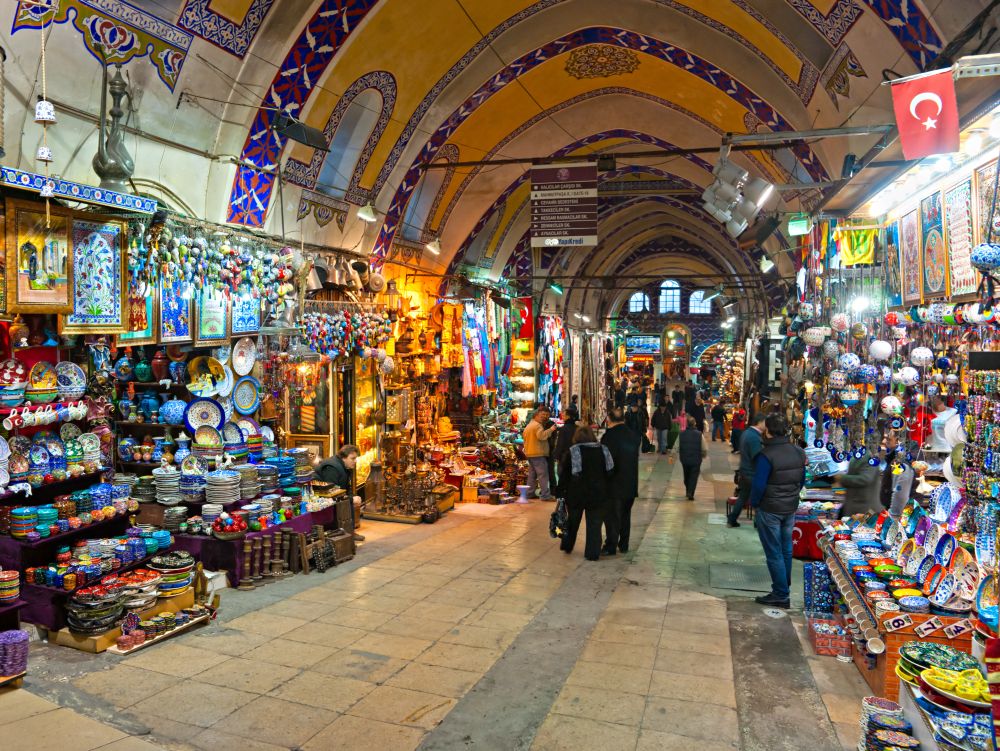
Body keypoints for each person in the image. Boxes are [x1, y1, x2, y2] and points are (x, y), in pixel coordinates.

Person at [749, 414, 807, 608]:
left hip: (770, 509)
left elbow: (758, 485)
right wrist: (791, 496)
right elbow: (801, 480)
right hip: (789, 508)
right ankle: (784, 587)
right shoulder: (798, 452)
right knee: (786, 550)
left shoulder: (766, 455)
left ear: (769, 431)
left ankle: (781, 593)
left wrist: (755, 503)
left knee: (774, 552)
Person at [557, 425, 615, 560]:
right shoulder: (603, 449)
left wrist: (560, 492)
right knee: (594, 525)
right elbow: (610, 471)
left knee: (572, 522)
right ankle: (592, 553)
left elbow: (564, 475)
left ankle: (567, 545)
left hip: (576, 493)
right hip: (598, 493)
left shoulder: (573, 451)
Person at [601, 407, 641, 553]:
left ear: (609, 419)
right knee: (625, 515)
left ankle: (611, 545)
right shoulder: (633, 435)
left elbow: (606, 461)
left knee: (612, 517)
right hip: (630, 483)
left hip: (615, 484)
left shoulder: (609, 436)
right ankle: (624, 544)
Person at [727, 412, 766, 528]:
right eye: (765, 423)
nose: (766, 426)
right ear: (760, 423)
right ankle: (758, 523)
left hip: (745, 470)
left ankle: (732, 519)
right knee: (759, 498)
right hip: (752, 473)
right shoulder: (754, 437)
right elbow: (757, 456)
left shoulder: (747, 433)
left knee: (743, 497)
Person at [523, 407, 557, 500]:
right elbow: (541, 436)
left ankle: (529, 493)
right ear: (536, 415)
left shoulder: (529, 425)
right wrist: (551, 430)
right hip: (538, 453)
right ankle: (545, 495)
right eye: (541, 416)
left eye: (546, 415)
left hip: (530, 453)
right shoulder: (538, 425)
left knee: (532, 475)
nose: (543, 417)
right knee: (543, 474)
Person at [835, 450, 882, 517]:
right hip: (856, 506)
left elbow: (866, 479)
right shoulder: (858, 453)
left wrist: (842, 478)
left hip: (863, 508)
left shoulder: (869, 456)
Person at [677, 416, 708, 500]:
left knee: (686, 476)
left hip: (684, 459)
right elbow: (704, 447)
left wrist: (674, 455)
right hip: (696, 459)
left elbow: (677, 446)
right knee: (693, 477)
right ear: (694, 424)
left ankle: (688, 490)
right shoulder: (699, 434)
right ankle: (690, 492)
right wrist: (704, 455)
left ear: (687, 424)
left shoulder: (681, 434)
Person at [553, 406, 580, 474]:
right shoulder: (578, 428)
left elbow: (560, 444)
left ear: (568, 416)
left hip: (565, 457)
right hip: (576, 456)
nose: (562, 416)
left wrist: (557, 456)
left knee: (563, 476)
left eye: (564, 415)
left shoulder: (564, 429)